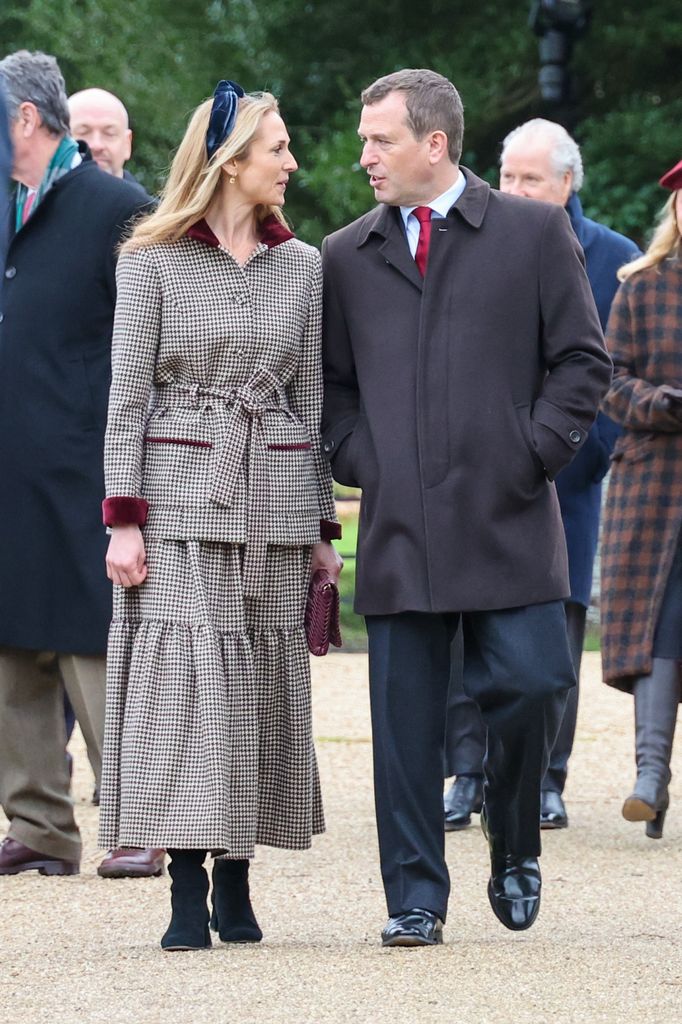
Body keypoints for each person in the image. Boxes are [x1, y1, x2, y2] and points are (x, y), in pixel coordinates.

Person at [322, 69, 611, 945]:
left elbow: (583, 363)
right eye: (365, 139)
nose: (365, 155)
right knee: (405, 727)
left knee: (533, 684)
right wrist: (367, 461)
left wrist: (532, 453)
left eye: (382, 139)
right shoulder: (347, 253)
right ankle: (415, 897)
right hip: (402, 528)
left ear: (435, 144)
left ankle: (514, 840)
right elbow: (333, 389)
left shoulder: (530, 232)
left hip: (511, 515)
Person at [99, 79, 341, 952]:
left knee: (260, 695)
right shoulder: (149, 260)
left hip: (274, 506)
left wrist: (321, 529)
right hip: (175, 505)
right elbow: (126, 401)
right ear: (230, 162)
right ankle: (185, 883)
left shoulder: (305, 265)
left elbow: (311, 401)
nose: (292, 162)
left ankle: (237, 877)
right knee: (186, 695)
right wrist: (123, 519)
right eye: (277, 148)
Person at [443, 119, 640, 833]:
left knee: (554, 635)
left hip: (568, 481)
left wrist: (571, 456)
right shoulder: (469, 244)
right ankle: (466, 774)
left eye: (532, 179)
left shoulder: (615, 259)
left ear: (567, 184)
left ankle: (546, 779)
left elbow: (616, 375)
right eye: (509, 175)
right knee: (465, 625)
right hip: (477, 478)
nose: (516, 190)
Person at [0, 50, 162, 880]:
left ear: (25, 118)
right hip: (6, 469)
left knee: (94, 643)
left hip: (85, 466)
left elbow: (151, 346)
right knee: (10, 648)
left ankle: (138, 821)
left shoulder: (117, 207)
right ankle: (39, 823)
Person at [600, 158, 682, 840]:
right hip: (653, 480)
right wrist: (664, 403)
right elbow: (610, 380)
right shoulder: (641, 287)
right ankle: (649, 777)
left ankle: (655, 779)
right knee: (659, 624)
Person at [68, 87, 140, 184]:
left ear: (127, 144)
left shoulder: (142, 199)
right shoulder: (43, 197)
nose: (96, 145)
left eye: (109, 134)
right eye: (83, 132)